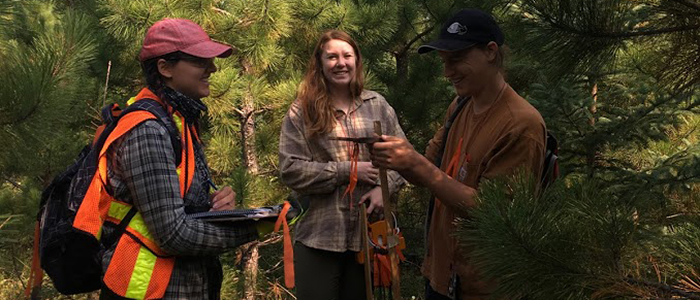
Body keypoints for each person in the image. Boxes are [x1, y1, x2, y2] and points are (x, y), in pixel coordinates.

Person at [370, 9, 547, 300]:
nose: (447, 72)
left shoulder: (521, 124)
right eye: (443, 62)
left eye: (457, 59)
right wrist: (395, 158)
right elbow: (427, 171)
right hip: (441, 275)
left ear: (490, 52)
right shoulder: (461, 104)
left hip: (483, 287)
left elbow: (495, 212)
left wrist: (417, 165)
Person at [96, 19, 263, 299]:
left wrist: (214, 205)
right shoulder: (147, 130)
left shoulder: (178, 121)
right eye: (200, 60)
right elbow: (173, 233)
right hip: (149, 290)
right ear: (165, 68)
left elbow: (175, 205)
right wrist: (256, 225)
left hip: (180, 285)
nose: (212, 68)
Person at [278, 30, 406, 299]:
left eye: (347, 56)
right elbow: (290, 170)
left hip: (369, 238)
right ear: (320, 64)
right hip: (318, 236)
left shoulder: (377, 105)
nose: (340, 63)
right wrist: (347, 171)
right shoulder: (302, 111)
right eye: (332, 57)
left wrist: (385, 188)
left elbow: (404, 160)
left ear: (357, 61)